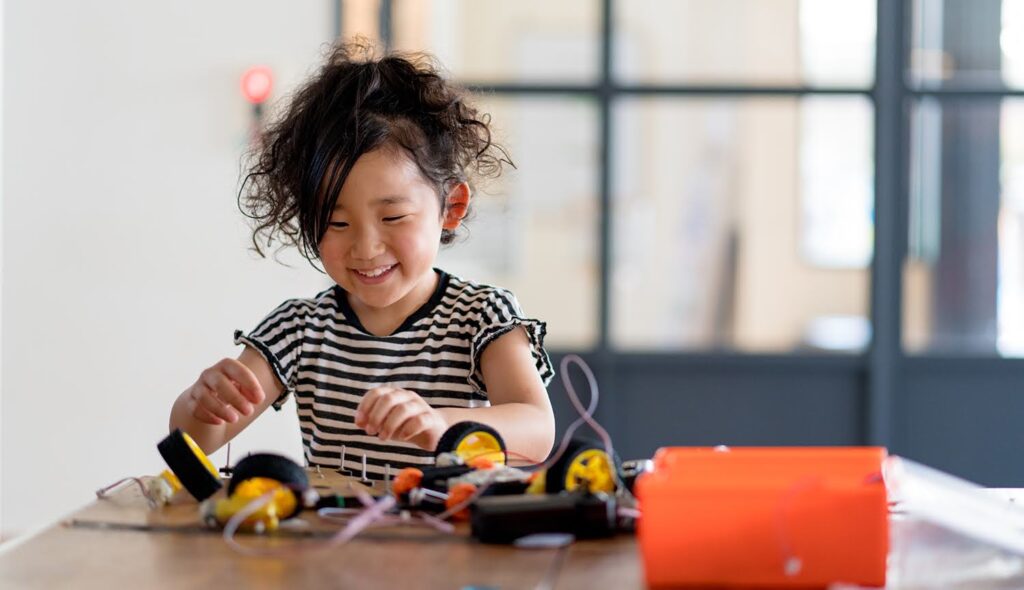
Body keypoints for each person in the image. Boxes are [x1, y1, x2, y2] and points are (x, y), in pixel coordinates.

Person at [169, 41, 555, 479]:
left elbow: (537, 430)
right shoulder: (301, 330)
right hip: (336, 546)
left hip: (447, 545)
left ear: (451, 206)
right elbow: (195, 442)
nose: (366, 248)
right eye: (336, 224)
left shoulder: (481, 316)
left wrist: (439, 424)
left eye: (393, 217)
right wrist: (199, 405)